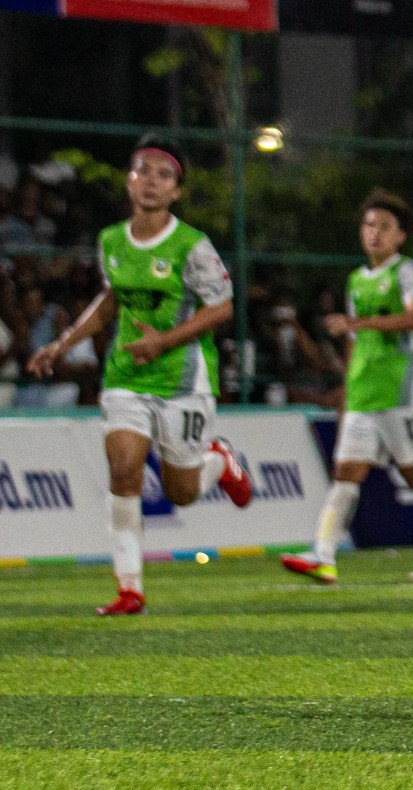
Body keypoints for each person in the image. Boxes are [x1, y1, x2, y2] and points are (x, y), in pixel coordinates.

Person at [26, 135, 251, 616]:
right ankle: (130, 588)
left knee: (181, 493)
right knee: (124, 470)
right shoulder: (111, 240)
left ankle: (221, 463)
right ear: (129, 181)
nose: (151, 180)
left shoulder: (193, 246)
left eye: (163, 174)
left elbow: (222, 307)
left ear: (176, 192)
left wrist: (164, 342)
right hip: (127, 375)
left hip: (184, 380)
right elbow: (109, 302)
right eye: (143, 170)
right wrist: (61, 344)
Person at [282, 190, 413, 584]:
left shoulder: (406, 272)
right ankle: (323, 555)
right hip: (363, 394)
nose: (374, 233)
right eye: (369, 225)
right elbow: (353, 344)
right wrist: (347, 390)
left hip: (401, 391)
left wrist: (356, 324)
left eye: (384, 227)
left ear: (400, 236)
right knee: (345, 473)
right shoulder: (356, 280)